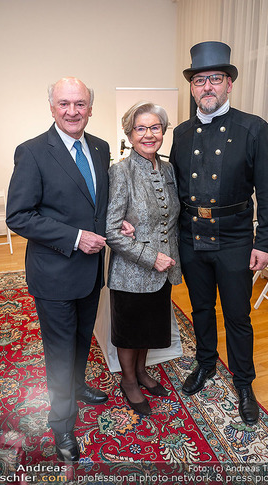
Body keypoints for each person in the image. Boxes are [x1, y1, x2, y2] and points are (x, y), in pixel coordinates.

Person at [6, 77, 133, 462]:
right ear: (51, 107)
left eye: (80, 104)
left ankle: (78, 385)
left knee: (81, 342)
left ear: (90, 108)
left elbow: (99, 201)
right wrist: (76, 237)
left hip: (90, 273)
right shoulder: (32, 152)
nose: (73, 111)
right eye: (64, 103)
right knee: (59, 352)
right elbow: (19, 216)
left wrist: (119, 220)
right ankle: (61, 425)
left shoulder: (99, 147)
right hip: (54, 274)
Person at [169, 42, 268, 426]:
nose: (207, 86)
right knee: (200, 308)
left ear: (229, 84)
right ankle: (205, 364)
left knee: (237, 314)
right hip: (191, 235)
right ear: (193, 88)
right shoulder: (181, 133)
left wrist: (264, 242)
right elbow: (173, 188)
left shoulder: (252, 128)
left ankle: (244, 382)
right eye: (200, 80)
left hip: (235, 237)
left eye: (215, 78)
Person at [105, 102, 182, 416]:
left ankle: (141, 372)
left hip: (164, 272)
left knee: (148, 328)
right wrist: (152, 258)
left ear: (163, 131)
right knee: (129, 331)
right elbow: (111, 230)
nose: (149, 134)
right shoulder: (120, 172)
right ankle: (128, 381)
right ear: (129, 133)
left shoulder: (168, 169)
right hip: (131, 272)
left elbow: (171, 219)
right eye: (141, 128)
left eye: (155, 128)